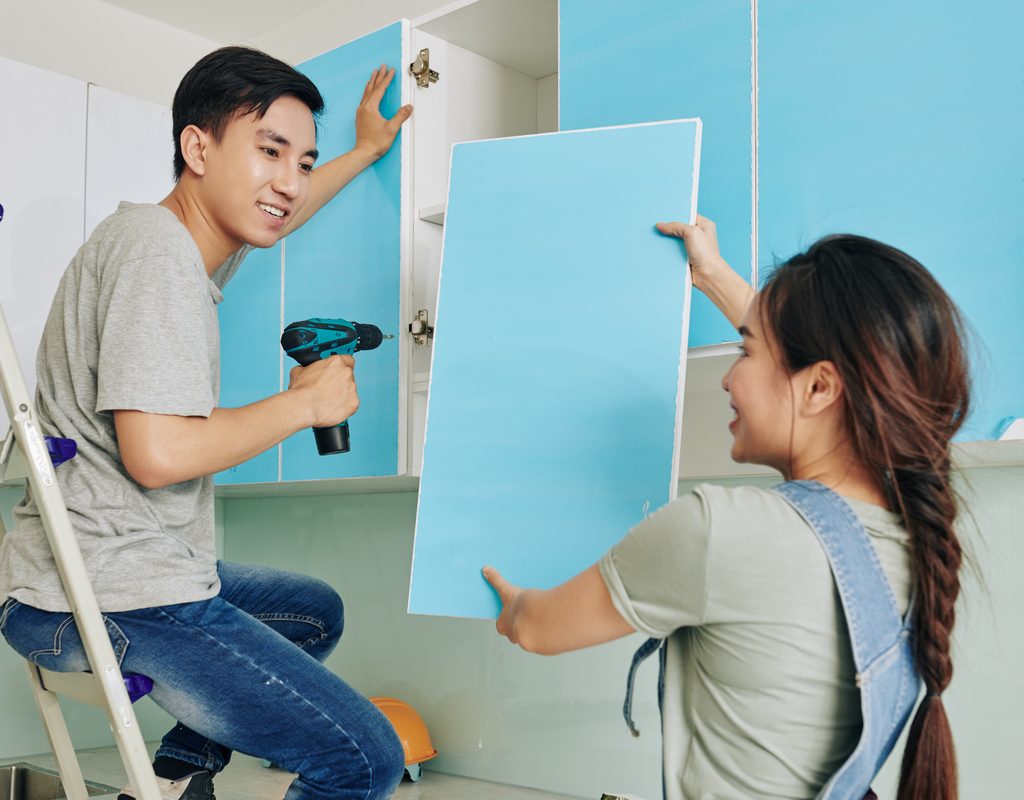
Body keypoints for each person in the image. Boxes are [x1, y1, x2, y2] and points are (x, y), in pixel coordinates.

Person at [0, 47, 412, 800]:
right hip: (109, 591)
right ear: (198, 148)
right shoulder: (158, 256)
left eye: (304, 159)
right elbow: (156, 455)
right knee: (363, 759)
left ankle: (181, 774)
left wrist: (363, 152)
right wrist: (304, 406)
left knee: (312, 612)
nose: (289, 180)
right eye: (269, 152)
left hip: (74, 580)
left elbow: (283, 211)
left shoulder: (170, 244)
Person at [484, 216, 968, 800]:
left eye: (744, 350)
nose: (728, 379)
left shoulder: (720, 532)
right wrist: (713, 277)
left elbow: (537, 629)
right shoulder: (913, 540)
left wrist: (512, 605)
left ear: (820, 388)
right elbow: (816, 362)